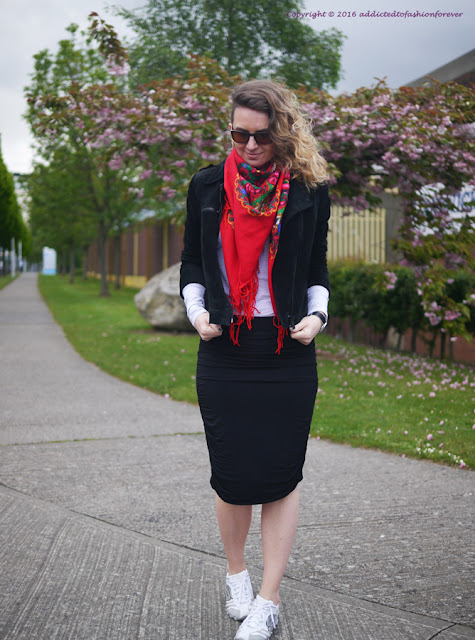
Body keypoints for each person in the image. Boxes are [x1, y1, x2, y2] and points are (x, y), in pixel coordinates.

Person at [180, 79, 330, 640]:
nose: (248, 146)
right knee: (231, 476)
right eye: (238, 134)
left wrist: (318, 317)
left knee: (281, 477)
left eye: (261, 136)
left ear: (283, 133)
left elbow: (316, 268)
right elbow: (193, 263)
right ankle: (236, 576)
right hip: (225, 346)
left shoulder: (310, 190)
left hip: (287, 349)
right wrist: (198, 314)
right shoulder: (206, 186)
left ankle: (268, 599)